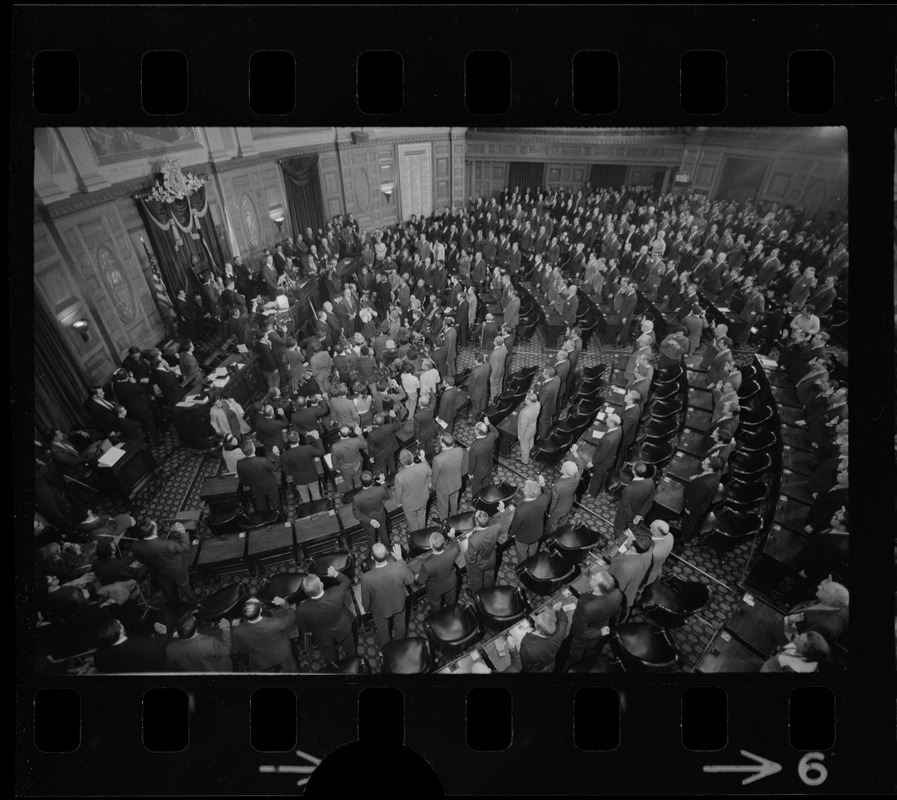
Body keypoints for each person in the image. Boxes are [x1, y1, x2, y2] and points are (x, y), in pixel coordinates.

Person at [295, 567, 358, 666]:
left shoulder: (302, 609)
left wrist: (309, 631)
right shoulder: (336, 592)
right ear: (322, 584)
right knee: (351, 652)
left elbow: (303, 626)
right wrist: (335, 574)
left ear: (306, 593)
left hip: (322, 637)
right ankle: (355, 665)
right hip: (344, 628)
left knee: (331, 659)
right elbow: (347, 581)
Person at [130, 520, 198, 603]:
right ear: (154, 530)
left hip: (158, 573)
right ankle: (195, 603)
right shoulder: (167, 544)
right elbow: (185, 547)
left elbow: (140, 559)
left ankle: (177, 607)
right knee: (186, 588)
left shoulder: (135, 545)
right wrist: (182, 532)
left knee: (170, 593)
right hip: (176, 570)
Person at [360, 542, 414, 647]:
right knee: (400, 625)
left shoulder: (366, 578)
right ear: (388, 553)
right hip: (398, 604)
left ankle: (386, 647)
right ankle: (402, 643)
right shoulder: (399, 566)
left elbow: (366, 600)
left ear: (372, 557)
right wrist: (400, 559)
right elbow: (410, 580)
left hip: (380, 609)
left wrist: (367, 609)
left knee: (383, 630)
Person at [567, 570, 623, 665]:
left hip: (588, 634)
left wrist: (600, 632)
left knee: (576, 652)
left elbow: (580, 632)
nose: (592, 576)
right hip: (603, 623)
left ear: (597, 589)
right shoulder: (618, 593)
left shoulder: (585, 606)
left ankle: (573, 666)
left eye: (594, 579)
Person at [231, 596, 299, 672]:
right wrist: (283, 603)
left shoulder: (237, 630)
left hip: (262, 659)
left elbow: (241, 649)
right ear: (260, 610)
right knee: (292, 669)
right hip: (282, 654)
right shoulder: (275, 623)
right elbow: (292, 616)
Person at [778, 579, 849, 648]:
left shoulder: (824, 626)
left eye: (823, 589)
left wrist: (788, 622)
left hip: (784, 644)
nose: (819, 587)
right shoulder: (830, 603)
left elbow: (801, 646)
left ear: (830, 600)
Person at [92, 614, 172, 673]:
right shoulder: (143, 646)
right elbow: (160, 651)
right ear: (120, 629)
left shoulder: (98, 655)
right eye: (117, 623)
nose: (119, 621)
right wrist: (163, 633)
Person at [504, 603, 569, 673]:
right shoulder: (559, 633)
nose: (535, 618)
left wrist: (513, 649)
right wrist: (558, 609)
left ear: (538, 629)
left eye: (536, 620)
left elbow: (524, 665)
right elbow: (563, 621)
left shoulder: (529, 649)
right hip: (550, 664)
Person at [464, 505, 512, 596]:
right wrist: (502, 511)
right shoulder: (496, 528)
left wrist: (467, 557)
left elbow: (470, 558)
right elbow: (505, 524)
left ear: (477, 523)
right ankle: (489, 593)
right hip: (491, 558)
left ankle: (477, 594)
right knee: (489, 577)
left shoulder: (474, 540)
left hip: (478, 565)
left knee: (476, 581)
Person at [609, 529, 655, 616]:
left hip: (620, 600)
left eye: (629, 538)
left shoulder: (623, 568)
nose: (627, 538)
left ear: (633, 547)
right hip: (633, 589)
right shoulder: (648, 553)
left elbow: (614, 589)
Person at [166, 615, 234, 673]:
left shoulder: (170, 648)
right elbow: (227, 651)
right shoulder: (209, 642)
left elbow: (173, 666)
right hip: (218, 671)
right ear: (196, 629)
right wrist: (226, 629)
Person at [680, 456, 722, 542]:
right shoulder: (717, 472)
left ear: (710, 469)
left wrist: (688, 508)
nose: (702, 462)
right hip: (702, 500)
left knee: (689, 522)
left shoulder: (703, 484)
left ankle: (685, 538)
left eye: (705, 463)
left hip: (695, 506)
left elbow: (696, 499)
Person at [416, 530, 461, 612]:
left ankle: (438, 616)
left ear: (431, 546)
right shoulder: (453, 551)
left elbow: (421, 581)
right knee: (451, 602)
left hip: (435, 588)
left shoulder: (427, 564)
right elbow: (457, 546)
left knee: (435, 604)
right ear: (444, 543)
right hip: (451, 582)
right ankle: (450, 612)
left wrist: (416, 577)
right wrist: (452, 536)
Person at [111, 368, 159, 443]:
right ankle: (157, 441)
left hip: (129, 410)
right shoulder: (132, 386)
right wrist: (134, 382)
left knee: (140, 427)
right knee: (150, 424)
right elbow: (143, 389)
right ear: (127, 376)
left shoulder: (116, 387)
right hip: (141, 408)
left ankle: (146, 441)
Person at [508, 477, 550, 565]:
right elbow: (547, 494)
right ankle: (532, 564)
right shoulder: (543, 500)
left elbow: (515, 526)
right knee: (533, 549)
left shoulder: (520, 510)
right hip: (537, 533)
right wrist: (543, 484)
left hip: (523, 538)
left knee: (522, 553)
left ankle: (523, 567)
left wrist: (511, 534)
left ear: (525, 492)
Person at [236, 440, 282, 512]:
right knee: (275, 503)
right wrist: (277, 454)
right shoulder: (263, 461)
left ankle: (265, 519)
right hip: (269, 485)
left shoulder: (240, 463)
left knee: (262, 505)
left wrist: (248, 484)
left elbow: (242, 479)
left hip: (255, 487)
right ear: (253, 449)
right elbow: (275, 468)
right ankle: (279, 517)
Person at [393, 448, 432, 532]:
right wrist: (423, 459)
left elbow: (399, 492)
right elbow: (430, 473)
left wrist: (399, 502)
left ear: (401, 462)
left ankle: (416, 534)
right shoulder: (423, 466)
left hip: (409, 503)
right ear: (412, 457)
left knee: (412, 521)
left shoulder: (399, 476)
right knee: (422, 517)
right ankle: (422, 532)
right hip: (423, 497)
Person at [281, 429, 325, 503]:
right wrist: (317, 439)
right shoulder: (307, 448)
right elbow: (322, 452)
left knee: (304, 498)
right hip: (311, 476)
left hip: (298, 479)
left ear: (288, 441)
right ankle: (320, 513)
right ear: (298, 439)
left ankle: (309, 513)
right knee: (316, 495)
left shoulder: (285, 455)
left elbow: (287, 471)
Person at [613, 461, 656, 535]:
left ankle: (617, 545)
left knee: (618, 529)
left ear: (633, 471)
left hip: (625, 514)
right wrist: (640, 515)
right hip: (638, 511)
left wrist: (633, 517)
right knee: (630, 528)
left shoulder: (628, 489)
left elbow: (626, 506)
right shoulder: (651, 482)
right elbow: (649, 501)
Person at [352, 471, 391, 550]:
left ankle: (373, 554)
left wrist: (370, 521)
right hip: (380, 516)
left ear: (361, 482)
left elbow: (356, 513)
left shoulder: (356, 497)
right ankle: (388, 550)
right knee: (384, 534)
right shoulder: (380, 489)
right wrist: (382, 482)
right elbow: (388, 496)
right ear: (372, 481)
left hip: (367, 521)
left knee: (371, 538)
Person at [547, 449, 585, 531]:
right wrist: (575, 453)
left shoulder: (558, 486)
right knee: (564, 520)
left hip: (558, 509)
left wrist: (550, 512)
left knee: (553, 523)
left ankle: (552, 537)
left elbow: (554, 501)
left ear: (564, 471)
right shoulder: (577, 477)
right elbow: (581, 466)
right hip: (568, 505)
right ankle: (562, 531)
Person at [759, 631, 831, 673]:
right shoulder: (812, 658)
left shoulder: (792, 669)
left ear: (804, 654)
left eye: (799, 639)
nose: (796, 636)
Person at [587, 415, 622, 497]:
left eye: (608, 420)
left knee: (596, 478)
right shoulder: (619, 428)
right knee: (602, 476)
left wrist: (593, 463)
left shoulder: (609, 439)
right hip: (609, 459)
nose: (606, 420)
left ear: (612, 423)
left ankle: (592, 493)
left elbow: (602, 455)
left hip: (602, 463)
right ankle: (601, 488)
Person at [431, 433, 465, 520]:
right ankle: (455, 519)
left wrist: (433, 485)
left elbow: (435, 475)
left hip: (444, 487)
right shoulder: (459, 450)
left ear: (442, 444)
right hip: (456, 482)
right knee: (454, 502)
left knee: (443, 506)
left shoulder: (438, 459)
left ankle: (444, 522)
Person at [367, 411, 402, 484]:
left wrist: (371, 456)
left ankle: (385, 481)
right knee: (392, 463)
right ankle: (394, 479)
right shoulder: (389, 426)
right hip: (390, 449)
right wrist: (394, 416)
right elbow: (399, 424)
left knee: (382, 467)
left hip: (379, 454)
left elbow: (371, 447)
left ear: (374, 422)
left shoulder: (371, 434)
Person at [330, 425, 368, 492]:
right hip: (357, 465)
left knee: (348, 484)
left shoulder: (335, 447)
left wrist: (336, 468)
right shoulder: (356, 440)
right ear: (350, 432)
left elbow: (334, 460)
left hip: (345, 468)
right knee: (358, 481)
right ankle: (360, 495)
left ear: (339, 433)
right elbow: (365, 445)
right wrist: (360, 435)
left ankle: (351, 497)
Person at [468, 418, 499, 497]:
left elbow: (472, 463)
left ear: (477, 432)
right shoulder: (491, 437)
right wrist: (488, 423)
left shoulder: (474, 447)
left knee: (476, 488)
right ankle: (486, 498)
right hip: (488, 467)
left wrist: (470, 473)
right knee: (486, 485)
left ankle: (477, 502)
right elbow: (495, 432)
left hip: (478, 472)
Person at [645, 519, 675, 585]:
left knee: (641, 586)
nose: (649, 528)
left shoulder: (653, 551)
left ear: (656, 533)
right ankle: (659, 577)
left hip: (648, 574)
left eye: (651, 528)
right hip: (658, 567)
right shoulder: (670, 536)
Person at [517, 392, 541, 465]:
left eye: (526, 399)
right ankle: (529, 453)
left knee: (524, 446)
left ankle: (525, 460)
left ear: (530, 401)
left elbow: (523, 426)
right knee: (530, 442)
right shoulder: (537, 404)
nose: (525, 400)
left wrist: (520, 435)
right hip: (532, 428)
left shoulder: (525, 413)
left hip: (526, 432)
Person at [536, 367, 561, 438]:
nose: (542, 374)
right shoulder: (557, 379)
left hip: (545, 410)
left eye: (543, 373)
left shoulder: (546, 389)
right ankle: (550, 429)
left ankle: (543, 438)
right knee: (549, 419)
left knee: (543, 423)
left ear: (547, 375)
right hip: (552, 404)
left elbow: (540, 403)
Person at [467, 353, 492, 420]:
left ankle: (475, 422)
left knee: (476, 409)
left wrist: (469, 395)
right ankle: (482, 420)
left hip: (476, 394)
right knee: (483, 407)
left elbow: (472, 385)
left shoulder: (474, 372)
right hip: (484, 391)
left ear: (476, 360)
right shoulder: (487, 365)